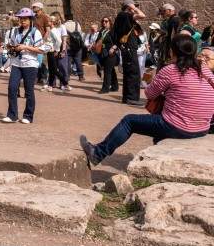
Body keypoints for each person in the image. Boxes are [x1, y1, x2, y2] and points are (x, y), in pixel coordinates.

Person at [81, 34, 214, 167]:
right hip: (202, 127)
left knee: (129, 121)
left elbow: (149, 94)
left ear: (172, 51)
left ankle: (98, 153)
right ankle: (161, 161)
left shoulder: (170, 70)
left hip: (178, 126)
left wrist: (152, 82)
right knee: (160, 125)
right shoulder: (203, 68)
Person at [3, 7, 47, 124]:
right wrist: (12, 47)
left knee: (29, 91)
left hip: (30, 64)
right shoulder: (15, 31)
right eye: (21, 18)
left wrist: (25, 47)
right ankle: (12, 115)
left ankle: (28, 116)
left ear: (30, 19)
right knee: (12, 88)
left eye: (25, 19)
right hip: (17, 63)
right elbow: (11, 44)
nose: (22, 21)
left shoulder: (35, 32)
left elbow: (41, 50)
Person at [112, 0, 146, 106]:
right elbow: (142, 15)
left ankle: (127, 97)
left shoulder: (123, 16)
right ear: (129, 7)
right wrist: (134, 8)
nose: (135, 8)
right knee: (133, 73)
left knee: (129, 73)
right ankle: (132, 98)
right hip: (129, 48)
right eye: (134, 6)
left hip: (128, 48)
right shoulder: (124, 15)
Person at [46, 12, 70, 92]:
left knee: (61, 67)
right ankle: (52, 84)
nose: (48, 21)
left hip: (58, 49)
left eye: (50, 20)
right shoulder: (51, 28)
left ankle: (64, 84)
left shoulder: (60, 27)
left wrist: (62, 50)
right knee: (53, 68)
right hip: (52, 49)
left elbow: (63, 40)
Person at [64, 16, 84, 81]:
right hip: (78, 46)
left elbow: (64, 35)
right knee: (78, 61)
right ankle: (81, 76)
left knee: (68, 62)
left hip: (68, 46)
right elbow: (80, 33)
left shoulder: (64, 25)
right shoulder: (77, 24)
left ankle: (68, 76)